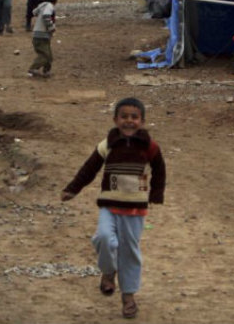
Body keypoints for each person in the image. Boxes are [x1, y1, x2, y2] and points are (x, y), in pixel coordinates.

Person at [61, 97, 166, 319]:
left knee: (129, 252)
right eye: (124, 116)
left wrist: (156, 193)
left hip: (135, 210)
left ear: (143, 121)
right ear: (115, 120)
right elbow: (89, 168)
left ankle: (128, 296)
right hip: (109, 205)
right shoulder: (107, 144)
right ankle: (108, 272)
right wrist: (73, 189)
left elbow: (160, 169)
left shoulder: (149, 146)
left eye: (134, 117)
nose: (129, 121)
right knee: (104, 238)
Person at [28, 0, 58, 77]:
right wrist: (51, 27)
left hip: (38, 35)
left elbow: (34, 12)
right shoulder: (49, 6)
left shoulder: (42, 5)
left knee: (48, 54)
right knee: (45, 55)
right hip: (42, 35)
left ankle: (46, 71)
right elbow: (46, 16)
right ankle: (33, 68)